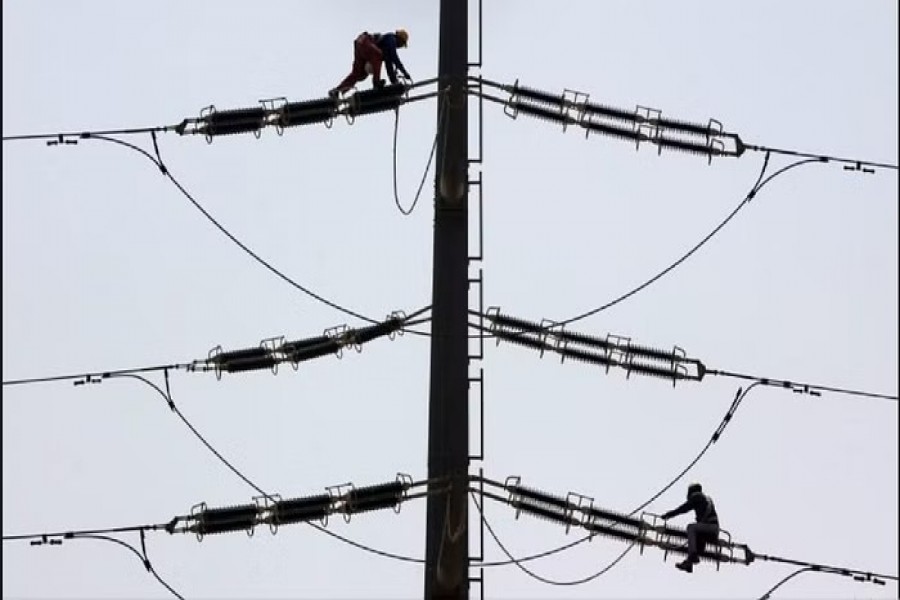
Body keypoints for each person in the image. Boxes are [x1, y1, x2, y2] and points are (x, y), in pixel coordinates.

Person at [330, 29, 412, 98]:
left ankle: (337, 91)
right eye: (401, 44)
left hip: (360, 43)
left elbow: (389, 65)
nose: (400, 47)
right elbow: (394, 58)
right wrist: (404, 73)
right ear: (399, 39)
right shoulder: (391, 39)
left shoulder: (387, 45)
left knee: (359, 74)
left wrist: (394, 81)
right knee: (379, 55)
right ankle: (376, 83)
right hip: (367, 43)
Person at [661, 483, 720, 573]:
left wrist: (669, 514)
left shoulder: (697, 497)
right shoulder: (705, 499)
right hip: (712, 530)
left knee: (691, 528)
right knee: (696, 538)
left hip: (710, 528)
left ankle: (692, 556)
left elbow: (683, 508)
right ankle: (689, 563)